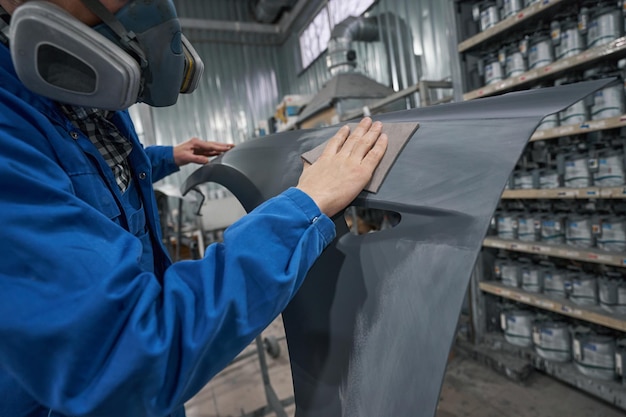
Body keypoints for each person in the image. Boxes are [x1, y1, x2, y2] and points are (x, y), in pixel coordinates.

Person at [0, 1, 388, 416]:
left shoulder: (72, 93)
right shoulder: (11, 124)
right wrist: (304, 207)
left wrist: (169, 155)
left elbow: (88, 170)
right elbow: (127, 356)